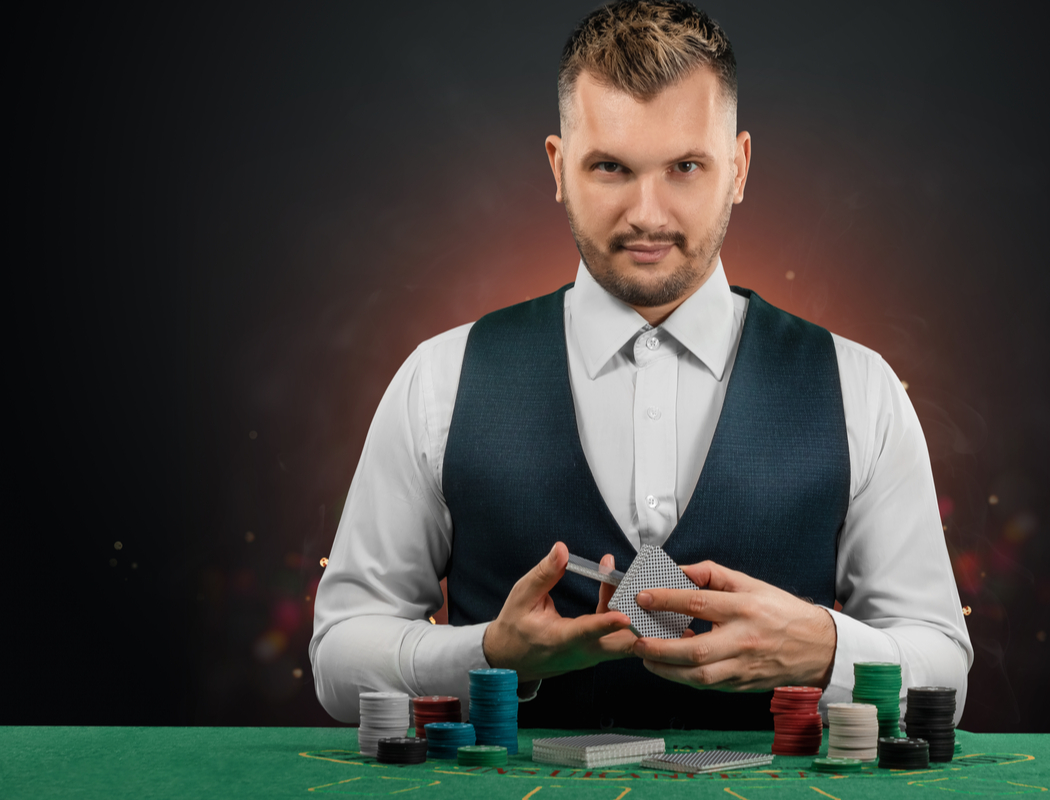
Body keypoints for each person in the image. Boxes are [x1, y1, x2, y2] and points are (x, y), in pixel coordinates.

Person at [310, 0, 971, 730]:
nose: (647, 214)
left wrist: (824, 651)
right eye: (610, 167)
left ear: (738, 168)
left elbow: (943, 663)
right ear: (559, 168)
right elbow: (339, 654)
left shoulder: (861, 388)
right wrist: (487, 654)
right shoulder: (439, 380)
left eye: (685, 167)